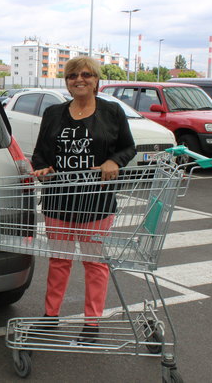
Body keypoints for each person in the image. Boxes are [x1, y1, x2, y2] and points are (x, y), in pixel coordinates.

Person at [31, 55, 135, 343]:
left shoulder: (112, 112)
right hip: (59, 200)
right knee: (59, 261)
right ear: (66, 82)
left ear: (96, 80)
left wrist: (114, 161)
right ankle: (51, 317)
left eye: (87, 75)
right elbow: (40, 152)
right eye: (73, 75)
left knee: (94, 263)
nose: (80, 80)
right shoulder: (53, 113)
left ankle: (92, 322)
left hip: (96, 202)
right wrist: (41, 168)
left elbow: (128, 147)